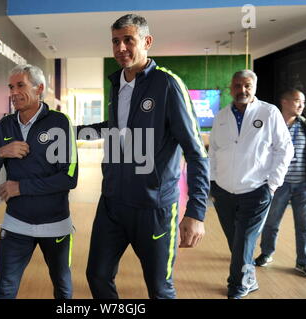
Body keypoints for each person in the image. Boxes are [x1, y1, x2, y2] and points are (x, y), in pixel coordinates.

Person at [77, 14, 210, 299]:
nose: (121, 47)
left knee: (160, 289)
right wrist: (66, 130)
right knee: (97, 276)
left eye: (129, 40)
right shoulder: (117, 84)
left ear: (147, 42)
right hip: (112, 203)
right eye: (115, 41)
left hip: (154, 209)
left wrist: (196, 212)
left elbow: (196, 152)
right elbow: (114, 129)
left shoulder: (167, 85)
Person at [0, 64, 78, 299]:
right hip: (15, 225)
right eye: (11, 87)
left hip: (56, 226)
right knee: (4, 289)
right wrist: (1, 153)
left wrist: (21, 187)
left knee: (63, 289)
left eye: (20, 85)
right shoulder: (4, 125)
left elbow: (69, 178)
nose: (13, 92)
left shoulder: (60, 122)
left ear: (39, 88)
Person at [209, 70, 294, 299]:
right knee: (235, 242)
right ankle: (250, 279)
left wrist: (272, 184)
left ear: (254, 87)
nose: (242, 90)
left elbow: (284, 148)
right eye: (237, 86)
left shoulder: (269, 112)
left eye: (247, 86)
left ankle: (237, 286)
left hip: (256, 191)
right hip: (224, 192)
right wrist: (213, 182)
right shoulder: (222, 116)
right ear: (230, 88)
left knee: (244, 241)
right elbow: (214, 151)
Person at [255, 89, 306, 278]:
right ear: (284, 102)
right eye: (297, 101)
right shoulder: (272, 125)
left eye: (303, 102)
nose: (301, 105)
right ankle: (267, 254)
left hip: (304, 185)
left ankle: (303, 262)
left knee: (305, 226)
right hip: (278, 185)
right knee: (271, 223)